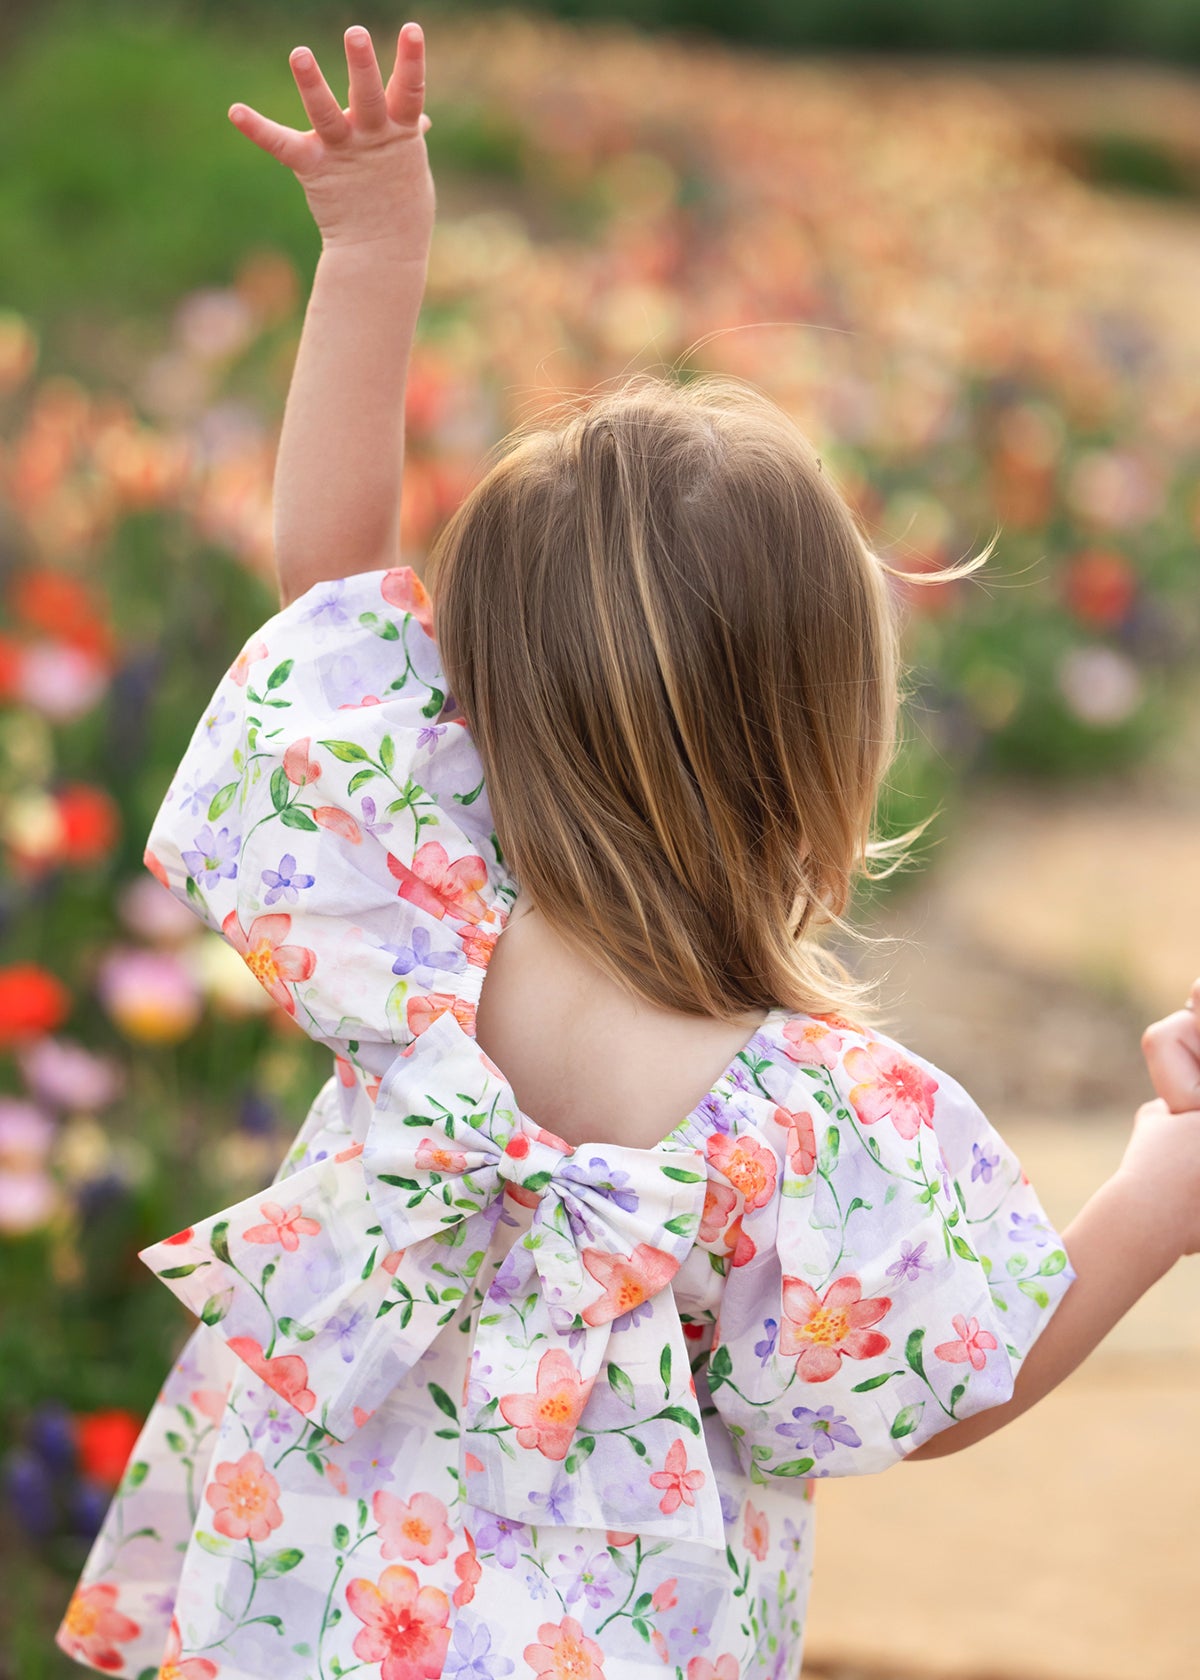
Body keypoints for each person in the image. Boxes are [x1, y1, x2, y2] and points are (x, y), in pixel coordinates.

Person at [56, 22, 1200, 1680]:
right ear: (821, 756)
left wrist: (376, 251)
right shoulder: (810, 1131)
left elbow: (322, 587)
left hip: (306, 1603)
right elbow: (961, 1379)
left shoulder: (409, 915)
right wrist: (1156, 1199)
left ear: (467, 705)